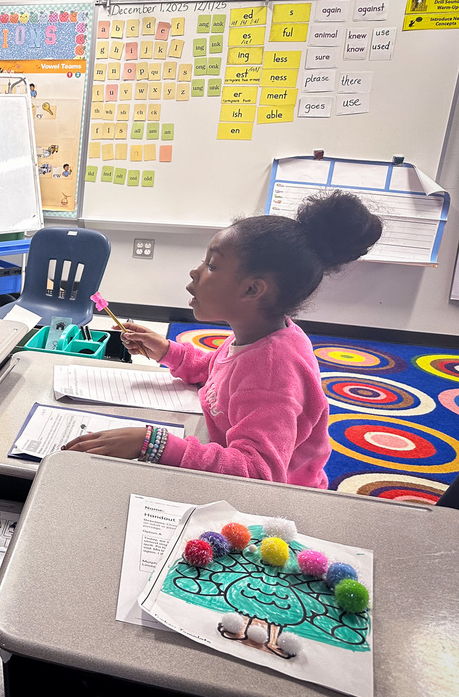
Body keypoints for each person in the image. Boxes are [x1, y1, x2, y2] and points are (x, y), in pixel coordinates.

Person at [64, 190, 383, 488]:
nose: (195, 272)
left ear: (252, 289)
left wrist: (154, 444)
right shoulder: (256, 334)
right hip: (226, 457)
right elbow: (218, 373)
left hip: (281, 502)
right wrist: (169, 352)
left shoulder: (273, 369)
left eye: (212, 265)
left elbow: (258, 471)